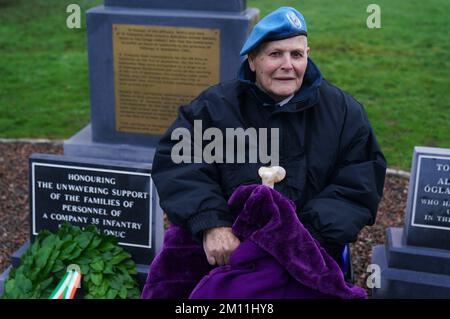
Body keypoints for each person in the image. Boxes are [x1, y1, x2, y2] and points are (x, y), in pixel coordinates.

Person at [151, 7, 387, 268]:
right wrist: (211, 222)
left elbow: (358, 184)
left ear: (307, 57)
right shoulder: (213, 107)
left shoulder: (344, 113)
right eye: (275, 54)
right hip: (227, 253)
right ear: (253, 60)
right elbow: (178, 162)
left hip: (306, 253)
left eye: (296, 54)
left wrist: (302, 239)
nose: (288, 65)